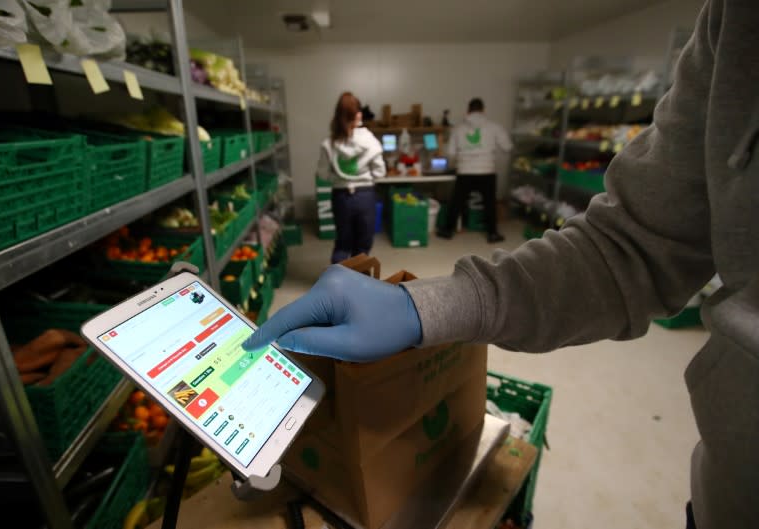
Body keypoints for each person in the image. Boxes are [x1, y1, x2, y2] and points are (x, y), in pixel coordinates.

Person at [245, 2, 757, 528]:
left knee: (433, 217)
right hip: (723, 500)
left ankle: (450, 228)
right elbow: (629, 246)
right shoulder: (733, 21)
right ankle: (464, 229)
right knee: (473, 212)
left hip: (375, 190)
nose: (356, 119)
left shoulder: (368, 138)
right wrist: (428, 305)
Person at [317, 92, 386, 264]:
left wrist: (340, 177)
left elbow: (322, 174)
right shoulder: (370, 141)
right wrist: (363, 175)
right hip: (365, 196)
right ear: (358, 114)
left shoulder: (329, 143)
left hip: (340, 197)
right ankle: (358, 285)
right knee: (362, 246)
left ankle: (338, 286)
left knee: (342, 244)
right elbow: (379, 172)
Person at [438, 98, 512, 243]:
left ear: (468, 111)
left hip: (465, 171)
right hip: (487, 171)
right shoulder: (494, 127)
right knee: (489, 203)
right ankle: (492, 234)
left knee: (456, 202)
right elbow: (507, 147)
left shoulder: (458, 129)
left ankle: (447, 231)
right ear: (483, 110)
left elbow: (450, 153)